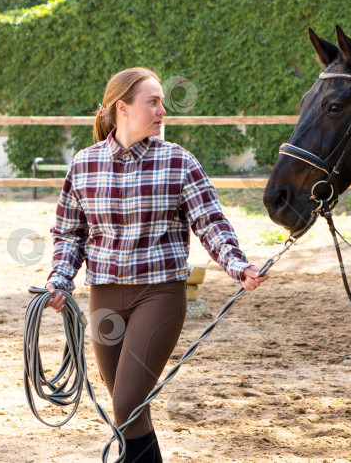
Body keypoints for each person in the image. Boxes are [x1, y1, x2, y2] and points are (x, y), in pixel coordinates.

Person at [43, 67, 268, 462]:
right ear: (123, 108)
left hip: (159, 295)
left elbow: (210, 221)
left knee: (127, 402)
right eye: (153, 101)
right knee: (130, 409)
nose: (163, 110)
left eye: (162, 101)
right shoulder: (84, 164)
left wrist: (237, 264)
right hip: (105, 298)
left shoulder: (179, 162)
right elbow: (69, 234)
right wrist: (60, 280)